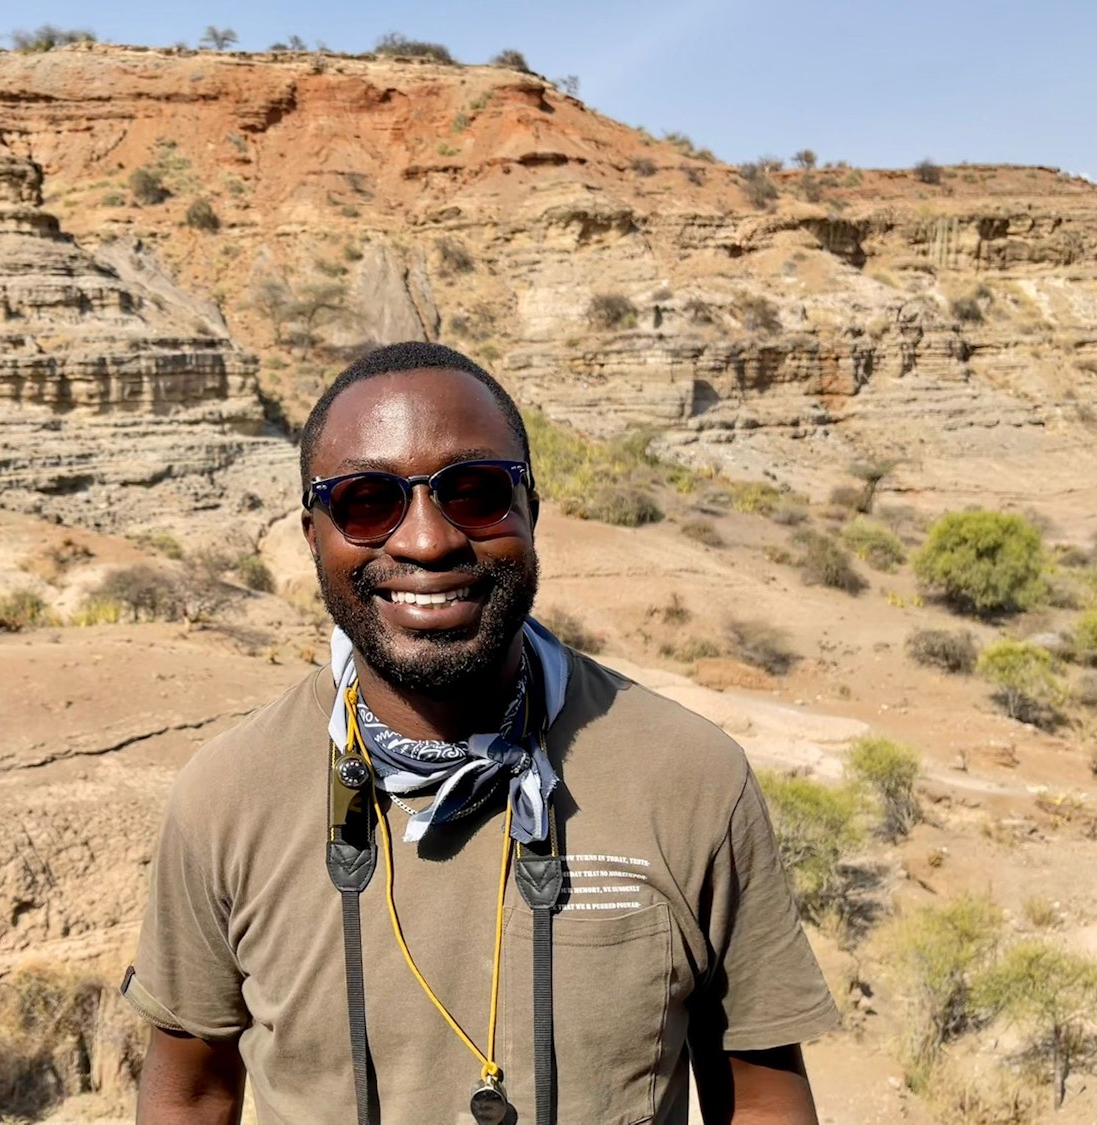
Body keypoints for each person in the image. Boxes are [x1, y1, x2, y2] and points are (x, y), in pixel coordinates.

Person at [122, 342, 838, 1125]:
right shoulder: (226, 800)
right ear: (312, 534)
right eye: (367, 501)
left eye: (475, 491)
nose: (427, 541)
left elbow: (763, 1101)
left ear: (531, 512)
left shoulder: (689, 776)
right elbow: (191, 1094)